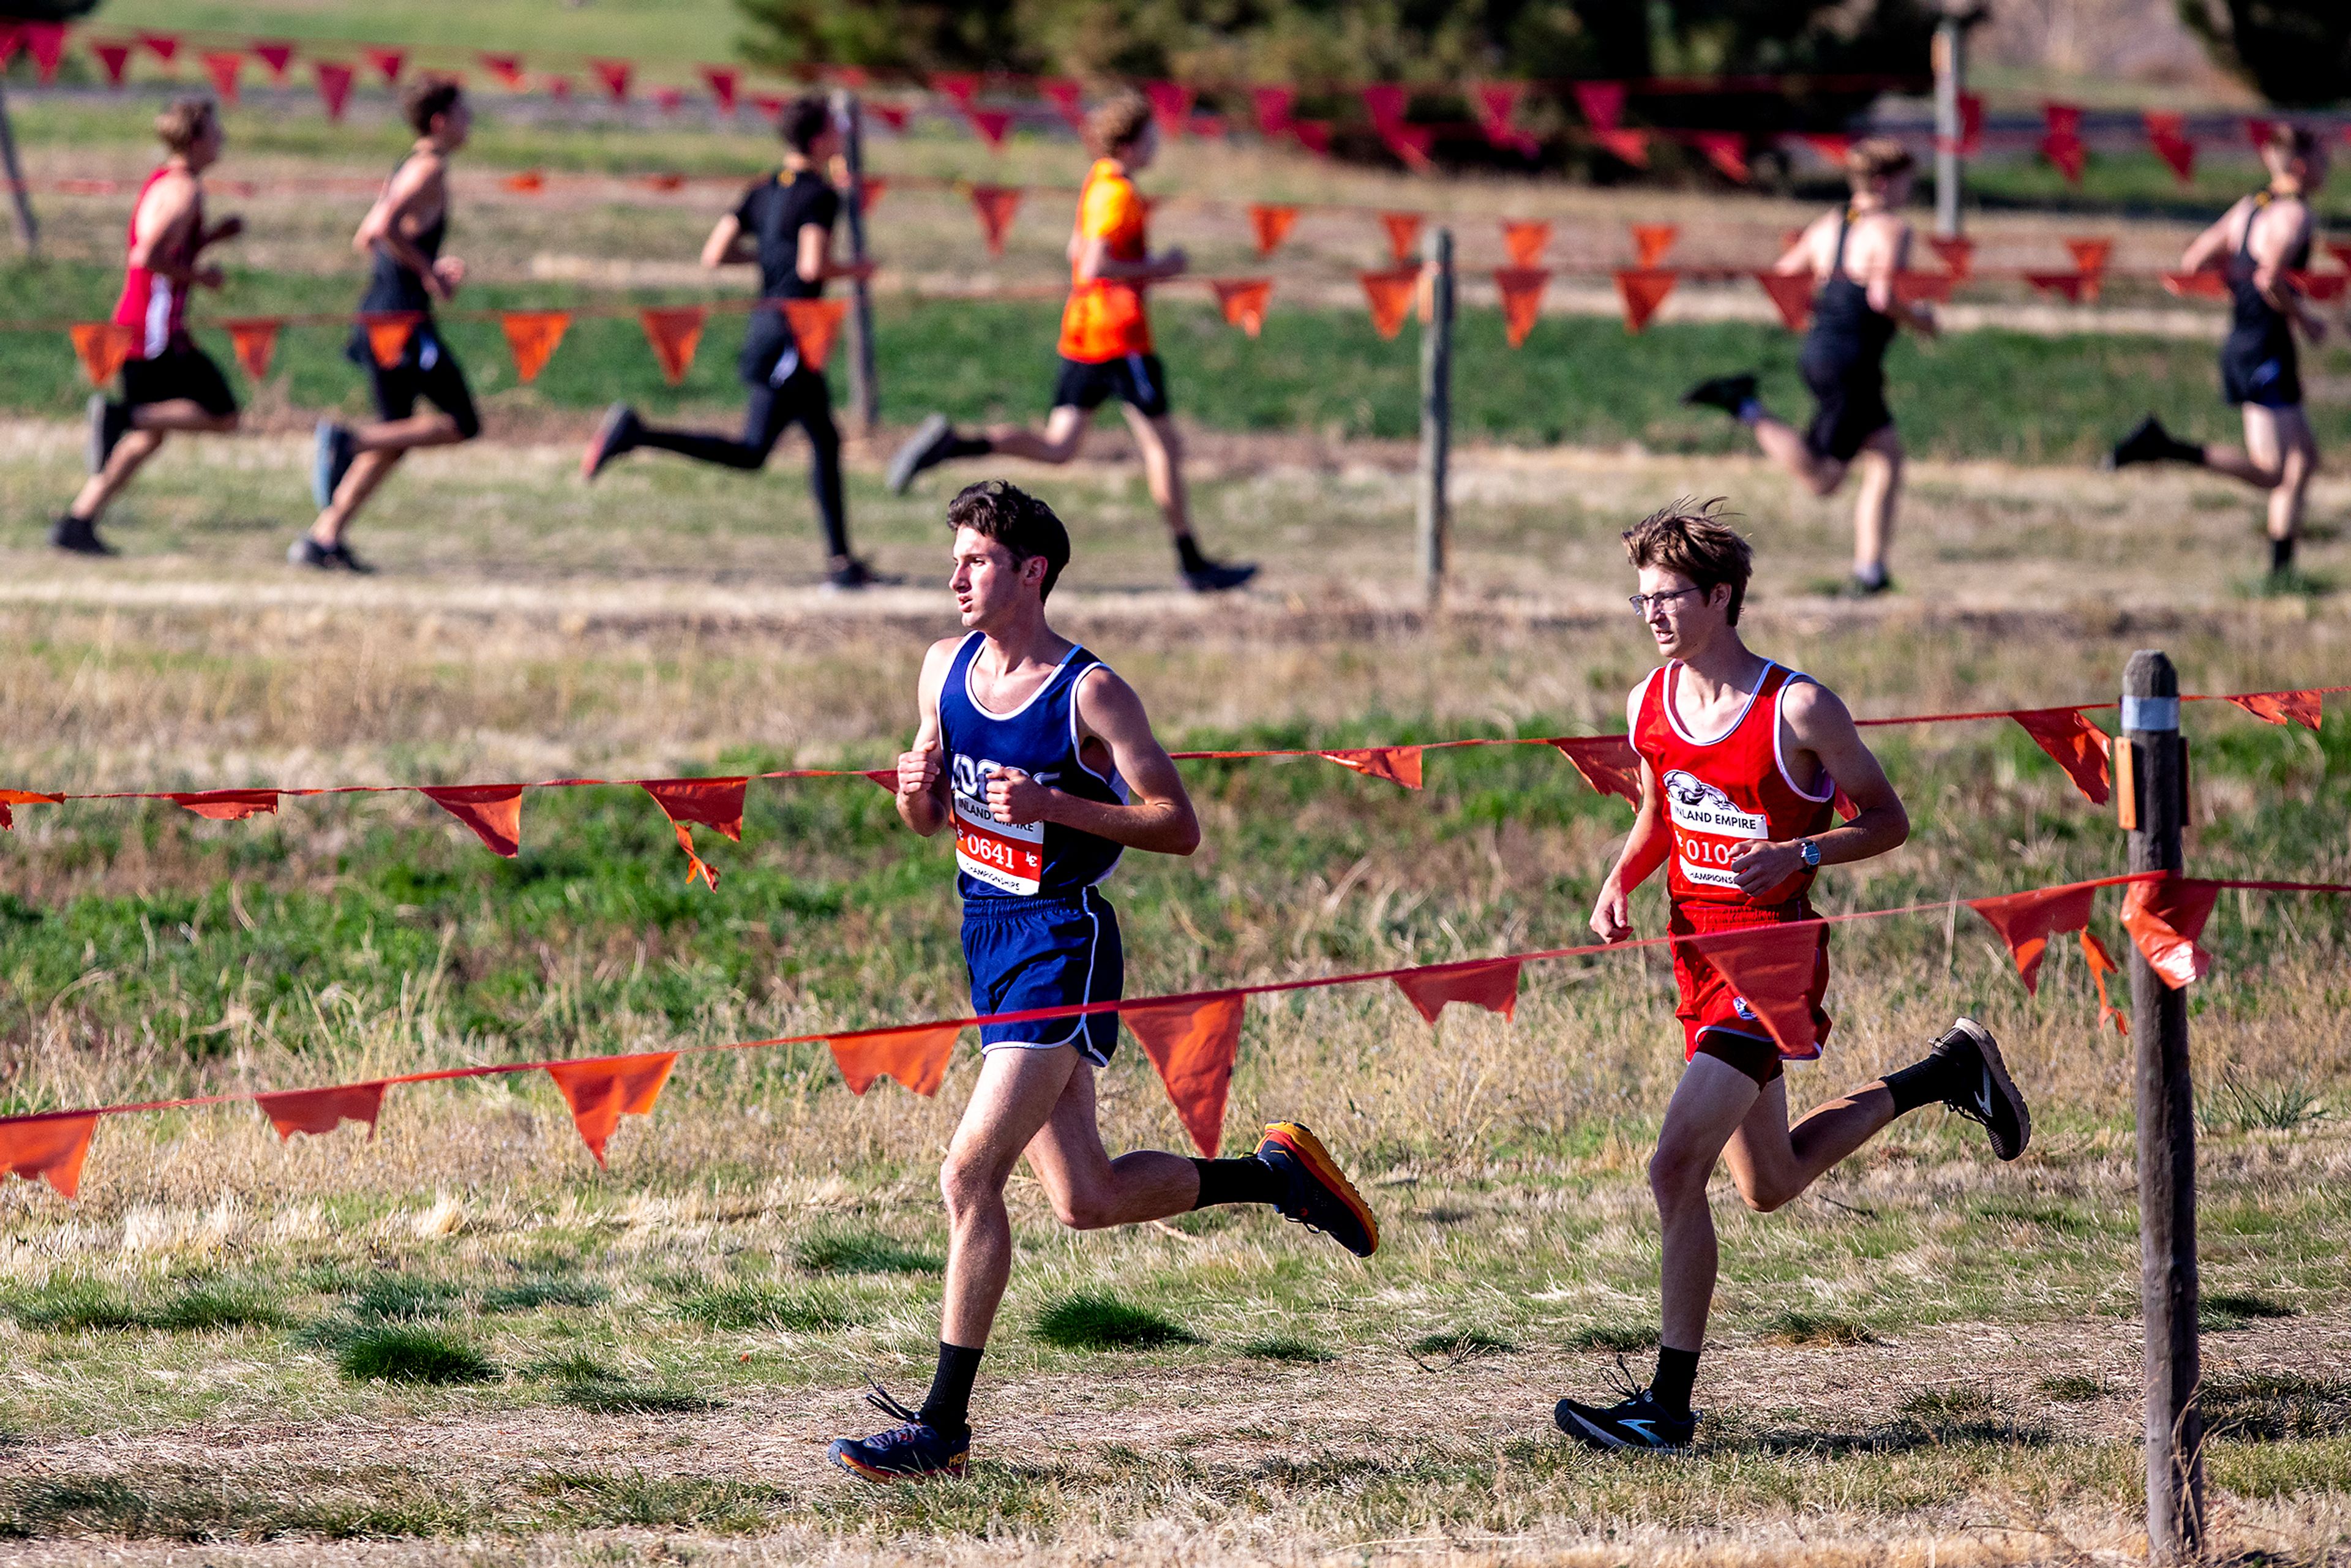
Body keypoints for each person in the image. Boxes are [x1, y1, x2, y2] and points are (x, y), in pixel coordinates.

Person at [827, 480, 1373, 1484]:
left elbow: (1178, 823)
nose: (956, 575)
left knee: (966, 1177)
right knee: (1085, 1197)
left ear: (1031, 571)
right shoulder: (940, 669)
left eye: (978, 559)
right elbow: (932, 822)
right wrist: (917, 799)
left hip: (1062, 944)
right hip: (985, 935)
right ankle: (1272, 1177)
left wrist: (1058, 806)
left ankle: (942, 1425)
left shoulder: (1089, 692)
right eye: (956, 557)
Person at [1552, 500, 2031, 1453]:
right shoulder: (1651, 702)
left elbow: (1888, 819)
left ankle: (1666, 1407)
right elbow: (1659, 812)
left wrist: (1801, 851)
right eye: (1642, 597)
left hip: (1771, 962)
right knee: (1769, 1184)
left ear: (1722, 597)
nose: (1652, 614)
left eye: (1670, 596)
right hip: (1695, 960)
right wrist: (1618, 879)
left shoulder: (1798, 707)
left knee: (1672, 1166)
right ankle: (1946, 1073)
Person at [881, 92, 1255, 595]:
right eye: (1151, 136)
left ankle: (956, 445)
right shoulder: (1118, 192)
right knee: (1164, 448)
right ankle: (1192, 563)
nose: (1157, 144)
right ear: (1129, 141)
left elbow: (1074, 250)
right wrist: (1160, 268)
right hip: (1120, 336)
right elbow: (1095, 262)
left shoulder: (1096, 183)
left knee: (1059, 447)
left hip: (1083, 330)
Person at [579, 96, 888, 590]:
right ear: (817, 139)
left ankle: (841, 562)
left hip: (769, 326)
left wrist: (769, 260)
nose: (841, 136)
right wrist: (858, 270)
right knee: (752, 451)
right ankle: (636, 433)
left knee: (824, 440)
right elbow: (811, 267)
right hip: (792, 334)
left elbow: (715, 253)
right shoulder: (819, 196)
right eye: (835, 129)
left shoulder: (763, 188)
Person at [1680, 140, 1938, 597]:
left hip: (1823, 350)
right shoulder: (1893, 229)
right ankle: (1747, 406)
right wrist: (1922, 319)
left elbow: (1784, 275)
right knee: (1824, 479)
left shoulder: (1829, 224)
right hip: (1853, 362)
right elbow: (1882, 298)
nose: (1909, 190)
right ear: (1883, 182)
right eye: (1906, 181)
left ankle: (1872, 570)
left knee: (1887, 456)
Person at [2107, 124, 2329, 582]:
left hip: (2249, 341)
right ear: (2303, 166)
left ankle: (2281, 574)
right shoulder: (2295, 216)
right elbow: (2270, 280)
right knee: (2272, 472)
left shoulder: (2249, 208)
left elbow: (2194, 261)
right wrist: (2306, 320)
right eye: (2325, 159)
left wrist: (2236, 276)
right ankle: (2164, 446)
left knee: (2303, 458)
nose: (2332, 167)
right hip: (2265, 347)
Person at [295, 75, 480, 572]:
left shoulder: (408, 167)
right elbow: (381, 229)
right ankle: (347, 442)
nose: (471, 122)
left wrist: (423, 264)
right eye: (464, 113)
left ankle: (323, 537)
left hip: (386, 310)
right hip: (400, 318)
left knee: (396, 436)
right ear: (440, 121)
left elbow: (367, 237)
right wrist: (427, 273)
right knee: (463, 422)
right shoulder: (429, 171)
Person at [57, 97, 244, 557]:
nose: (222, 141)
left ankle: (78, 522)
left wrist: (210, 238)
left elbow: (164, 246)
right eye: (216, 134)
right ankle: (122, 416)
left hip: (138, 322)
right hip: (154, 328)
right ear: (197, 140)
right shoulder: (186, 192)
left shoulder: (164, 181)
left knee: (150, 437)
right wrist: (202, 277)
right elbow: (148, 257)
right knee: (222, 414)